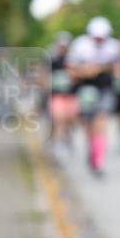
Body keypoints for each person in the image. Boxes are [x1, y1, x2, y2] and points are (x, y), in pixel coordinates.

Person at [67, 17, 120, 177]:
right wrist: (85, 71)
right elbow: (70, 70)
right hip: (85, 90)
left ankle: (98, 162)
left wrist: (107, 70)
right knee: (89, 125)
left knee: (101, 122)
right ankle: (92, 150)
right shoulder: (80, 45)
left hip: (105, 89)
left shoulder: (114, 47)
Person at [48, 31, 78, 160]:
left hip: (71, 96)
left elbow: (79, 75)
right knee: (59, 120)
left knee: (70, 121)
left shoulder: (74, 59)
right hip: (57, 96)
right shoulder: (52, 59)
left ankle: (67, 140)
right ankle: (59, 145)